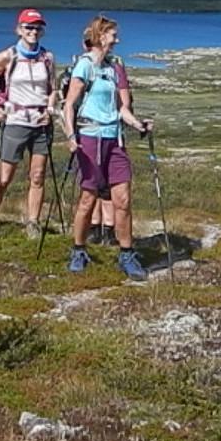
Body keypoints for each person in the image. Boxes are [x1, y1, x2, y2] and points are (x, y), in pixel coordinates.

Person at [62, 15, 154, 281]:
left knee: (122, 200)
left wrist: (138, 125)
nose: (117, 40)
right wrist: (71, 136)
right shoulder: (84, 66)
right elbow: (69, 105)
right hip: (90, 138)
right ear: (101, 36)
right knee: (88, 199)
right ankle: (78, 249)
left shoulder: (114, 68)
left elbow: (120, 108)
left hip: (114, 139)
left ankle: (127, 253)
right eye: (113, 35)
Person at [0, 8, 59, 240]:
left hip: (41, 123)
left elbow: (52, 89)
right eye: (28, 27)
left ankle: (33, 223)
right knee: (4, 177)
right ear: (19, 29)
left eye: (37, 27)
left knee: (38, 176)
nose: (33, 31)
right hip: (16, 122)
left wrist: (50, 110)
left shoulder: (48, 58)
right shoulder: (8, 56)